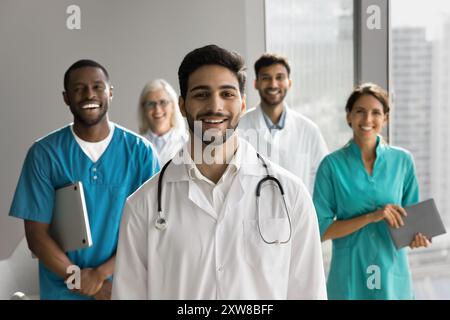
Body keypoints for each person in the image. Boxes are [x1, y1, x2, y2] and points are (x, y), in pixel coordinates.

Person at [112, 44, 327, 300]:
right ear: (182, 106)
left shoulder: (291, 196)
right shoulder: (142, 206)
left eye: (227, 94)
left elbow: (309, 293)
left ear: (243, 103)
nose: (215, 105)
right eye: (201, 94)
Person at [9, 59, 160, 300]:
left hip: (124, 289)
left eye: (98, 87)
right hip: (63, 291)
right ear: (66, 97)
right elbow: (37, 237)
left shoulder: (141, 152)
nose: (89, 94)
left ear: (110, 93)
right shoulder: (44, 154)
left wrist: (102, 276)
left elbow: (153, 229)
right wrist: (84, 281)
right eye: (78, 88)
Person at [313, 83, 431, 300]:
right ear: (349, 116)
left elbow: (412, 222)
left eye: (376, 112)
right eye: (360, 111)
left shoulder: (403, 161)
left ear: (385, 118)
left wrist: (416, 237)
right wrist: (371, 216)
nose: (367, 120)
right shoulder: (331, 166)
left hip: (392, 277)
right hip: (350, 277)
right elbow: (320, 230)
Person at [238, 53, 328, 193]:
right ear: (256, 83)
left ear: (289, 82)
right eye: (266, 78)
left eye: (279, 77)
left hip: (297, 213)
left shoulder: (309, 130)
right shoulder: (239, 127)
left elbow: (324, 180)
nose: (273, 84)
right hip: (251, 214)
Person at [138, 79, 188, 165]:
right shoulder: (136, 145)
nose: (157, 109)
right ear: (143, 109)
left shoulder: (188, 142)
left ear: (173, 105)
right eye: (151, 104)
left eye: (163, 102)